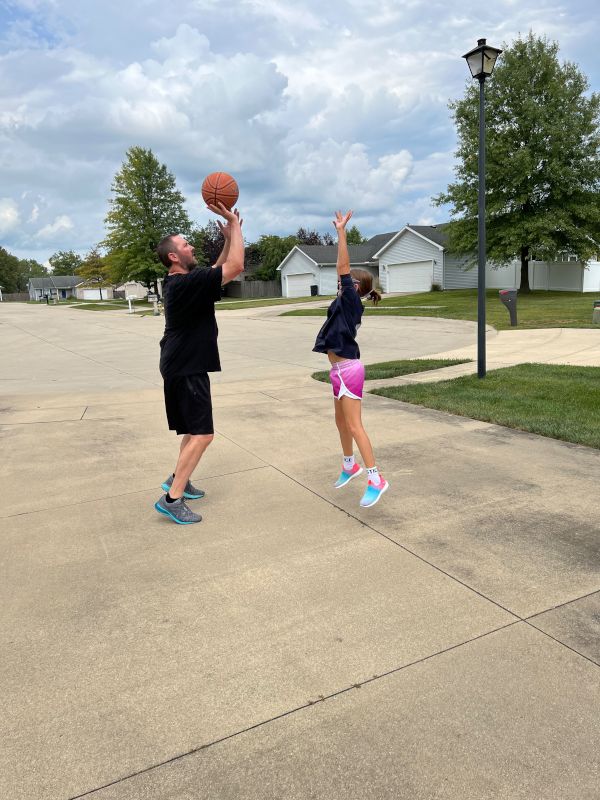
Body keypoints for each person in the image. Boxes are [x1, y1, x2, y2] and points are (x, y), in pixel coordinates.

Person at [154, 203, 244, 524]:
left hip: (181, 364)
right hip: (186, 367)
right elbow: (234, 267)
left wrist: (225, 241)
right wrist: (235, 227)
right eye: (185, 244)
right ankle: (172, 499)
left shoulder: (185, 283)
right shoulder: (183, 284)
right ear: (174, 257)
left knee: (192, 431)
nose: (190, 246)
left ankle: (178, 479)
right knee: (203, 434)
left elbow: (215, 272)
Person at [313, 210, 389, 508]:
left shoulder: (350, 300)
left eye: (345, 281)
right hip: (338, 371)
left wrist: (342, 232)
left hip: (349, 370)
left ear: (355, 287)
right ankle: (349, 465)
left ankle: (376, 479)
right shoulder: (345, 302)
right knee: (340, 423)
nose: (339, 281)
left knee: (355, 426)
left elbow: (342, 266)